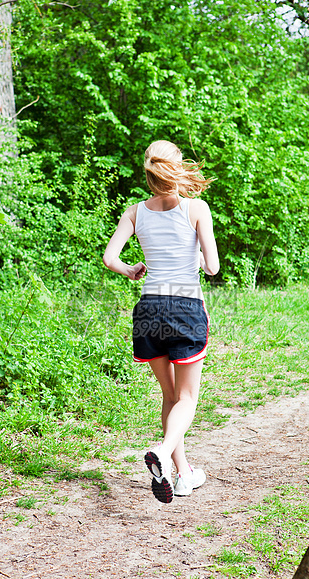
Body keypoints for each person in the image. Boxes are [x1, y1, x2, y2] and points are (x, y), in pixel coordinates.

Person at [103, 140, 219, 503]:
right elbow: (213, 267)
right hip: (184, 308)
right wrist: (198, 256)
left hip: (149, 309)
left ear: (150, 172)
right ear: (176, 168)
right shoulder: (196, 208)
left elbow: (110, 258)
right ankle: (163, 451)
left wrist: (131, 269)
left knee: (170, 397)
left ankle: (182, 475)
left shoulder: (135, 212)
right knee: (187, 398)